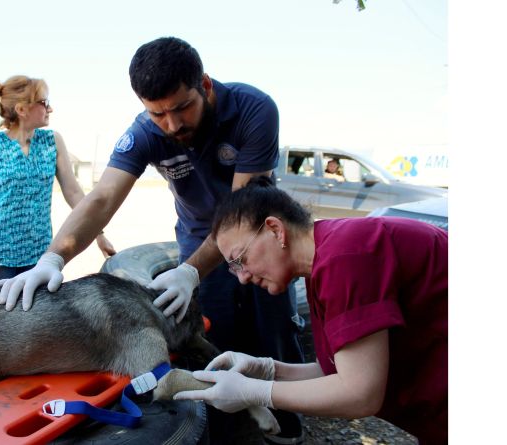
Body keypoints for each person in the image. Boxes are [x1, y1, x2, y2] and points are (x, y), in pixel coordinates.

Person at [0, 38, 306, 444]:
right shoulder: (144, 132)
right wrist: (52, 259)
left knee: (274, 332)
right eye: (157, 113)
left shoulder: (253, 109)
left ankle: (291, 428)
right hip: (197, 242)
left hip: (257, 241)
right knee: (215, 339)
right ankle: (233, 431)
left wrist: (190, 271)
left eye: (181, 108)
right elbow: (102, 197)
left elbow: (241, 215)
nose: (172, 125)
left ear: (205, 86)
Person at [172, 175, 448, 445]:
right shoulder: (325, 260)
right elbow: (340, 371)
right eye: (233, 268)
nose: (242, 277)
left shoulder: (344, 259)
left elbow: (359, 394)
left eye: (240, 259)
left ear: (275, 230)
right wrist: (268, 370)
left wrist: (255, 392)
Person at [0, 75, 115, 283]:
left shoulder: (52, 142)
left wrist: (99, 234)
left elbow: (73, 192)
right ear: (22, 109)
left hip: (40, 257)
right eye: (44, 103)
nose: (50, 108)